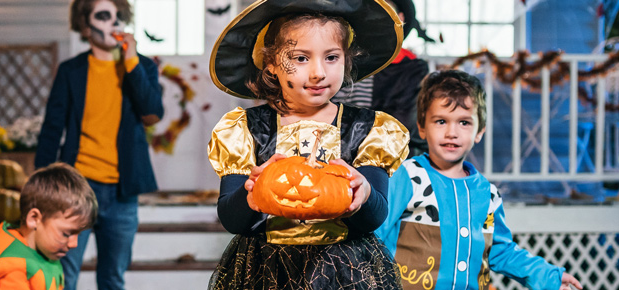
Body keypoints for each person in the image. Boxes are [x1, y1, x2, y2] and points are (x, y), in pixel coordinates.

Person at [205, 0, 410, 288]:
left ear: (346, 60)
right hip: (266, 271)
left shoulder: (367, 129)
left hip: (344, 270)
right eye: (301, 58)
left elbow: (373, 219)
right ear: (272, 64)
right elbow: (232, 220)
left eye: (331, 57)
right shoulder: (246, 130)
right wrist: (251, 197)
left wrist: (364, 195)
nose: (318, 72)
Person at [373, 70, 584, 290]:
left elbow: (501, 251)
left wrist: (549, 277)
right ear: (422, 127)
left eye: (464, 122)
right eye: (441, 121)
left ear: (479, 131)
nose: (451, 132)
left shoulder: (487, 193)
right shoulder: (407, 176)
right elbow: (375, 236)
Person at [35, 0, 164, 288]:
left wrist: (131, 61)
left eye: (119, 16)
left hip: (122, 193)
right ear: (85, 24)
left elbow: (152, 114)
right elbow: (52, 130)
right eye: (104, 16)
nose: (114, 23)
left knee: (112, 279)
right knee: (63, 276)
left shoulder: (141, 66)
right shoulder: (71, 70)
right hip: (76, 189)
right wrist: (41, 186)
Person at [0, 163, 97, 290]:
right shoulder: (15, 272)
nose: (74, 244)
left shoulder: (36, 249)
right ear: (34, 219)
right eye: (66, 234)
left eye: (79, 234)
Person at [332, 0, 434, 158]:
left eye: (385, 15)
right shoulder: (341, 59)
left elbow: (401, 126)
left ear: (400, 19)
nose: (377, 22)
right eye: (372, 14)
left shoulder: (411, 68)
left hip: (386, 157)